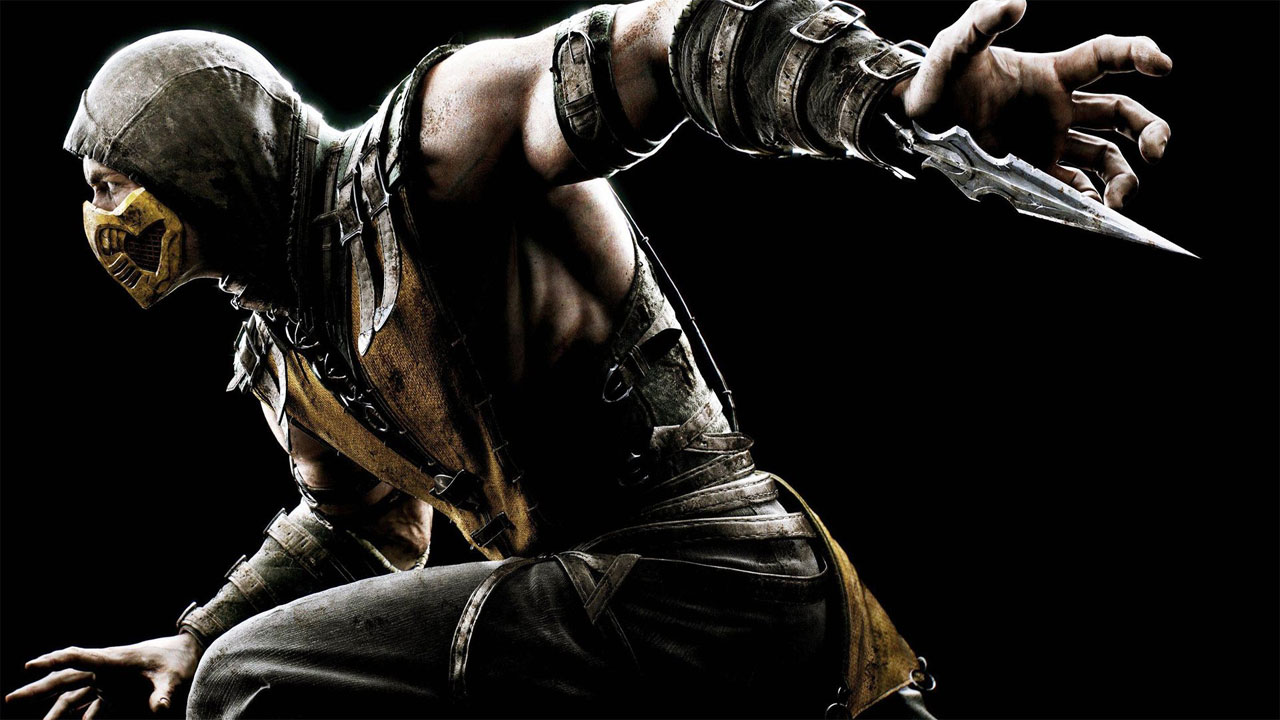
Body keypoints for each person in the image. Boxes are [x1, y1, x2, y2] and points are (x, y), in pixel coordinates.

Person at [5, 0, 1171, 717]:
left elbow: (661, 50)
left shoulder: (430, 148)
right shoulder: (286, 344)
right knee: (233, 666)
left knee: (252, 689)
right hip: (599, 621)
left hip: (701, 586)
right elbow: (359, 528)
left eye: (107, 182)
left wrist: (891, 98)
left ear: (195, 154)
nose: (99, 218)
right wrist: (199, 630)